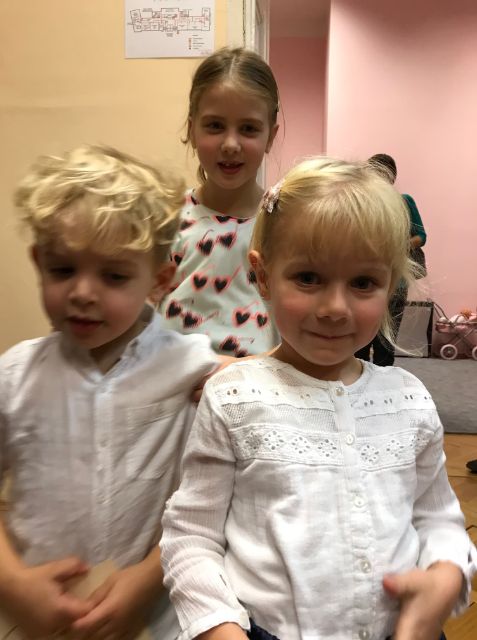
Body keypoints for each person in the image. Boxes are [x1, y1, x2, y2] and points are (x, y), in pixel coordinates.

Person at [160, 157, 476, 640]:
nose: (334, 308)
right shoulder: (234, 397)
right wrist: (219, 627)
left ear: (390, 287)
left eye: (363, 283)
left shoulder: (408, 399)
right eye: (308, 278)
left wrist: (445, 577)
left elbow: (437, 520)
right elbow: (192, 536)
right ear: (263, 276)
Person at [0, 145, 219, 639]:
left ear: (159, 280)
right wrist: (12, 584)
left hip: (155, 621)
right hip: (38, 622)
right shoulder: (13, 377)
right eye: (62, 270)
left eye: (114, 275)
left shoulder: (193, 368)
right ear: (38, 262)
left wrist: (149, 577)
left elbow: (211, 503)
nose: (82, 292)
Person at [160, 47, 280, 357]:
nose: (230, 144)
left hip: (259, 380)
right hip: (176, 379)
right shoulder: (165, 219)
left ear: (270, 136)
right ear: (192, 130)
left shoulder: (285, 223)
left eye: (248, 129)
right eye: (215, 126)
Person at [355, 153, 427, 366]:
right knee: (359, 339)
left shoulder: (404, 202)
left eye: (381, 173)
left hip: (396, 281)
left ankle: (383, 383)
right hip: (363, 280)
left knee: (386, 342)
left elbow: (421, 236)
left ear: (391, 176)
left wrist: (394, 247)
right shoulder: (361, 204)